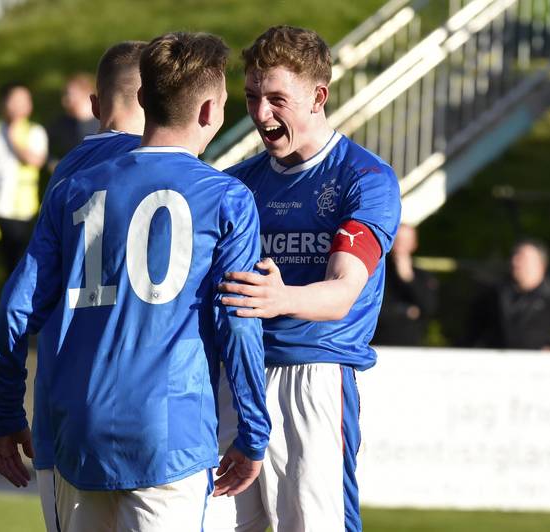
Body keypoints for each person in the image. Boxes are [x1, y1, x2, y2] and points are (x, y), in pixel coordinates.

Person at [0, 32, 270, 532]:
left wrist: (7, 410)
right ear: (209, 112)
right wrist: (253, 428)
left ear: (143, 99)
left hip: (78, 428)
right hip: (169, 434)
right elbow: (239, 320)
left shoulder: (73, 186)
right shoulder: (227, 198)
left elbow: (16, 309)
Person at [209, 26, 401, 532]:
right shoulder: (238, 184)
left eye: (276, 99)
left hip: (313, 377)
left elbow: (342, 293)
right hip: (237, 379)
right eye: (252, 98)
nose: (261, 114)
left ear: (319, 96)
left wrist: (280, 297)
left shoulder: (363, 178)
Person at [31, 39, 147, 532]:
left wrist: (4, 406)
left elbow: (24, 299)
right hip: (153, 414)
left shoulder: (65, 174)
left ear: (96, 106)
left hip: (66, 409)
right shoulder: (177, 174)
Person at [462, 239, 550, 350]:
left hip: (535, 369)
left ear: (540, 265)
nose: (515, 262)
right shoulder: (494, 294)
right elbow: (472, 331)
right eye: (515, 256)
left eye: (523, 258)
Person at [0, 82, 48, 276]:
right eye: (14, 100)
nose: (19, 106)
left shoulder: (34, 131)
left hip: (20, 211)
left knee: (15, 266)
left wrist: (13, 138)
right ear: (3, 103)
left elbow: (35, 160)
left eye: (24, 100)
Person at [373, 223, 438, 346]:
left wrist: (408, 279)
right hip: (377, 343)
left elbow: (429, 308)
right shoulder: (377, 272)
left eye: (405, 241)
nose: (400, 245)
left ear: (414, 244)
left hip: (410, 347)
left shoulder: (422, 276)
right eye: (398, 240)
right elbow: (374, 308)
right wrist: (405, 311)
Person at [45, 73, 100, 174]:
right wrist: (53, 164)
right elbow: (43, 145)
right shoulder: (60, 123)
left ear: (85, 93)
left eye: (69, 94)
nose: (64, 100)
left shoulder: (104, 122)